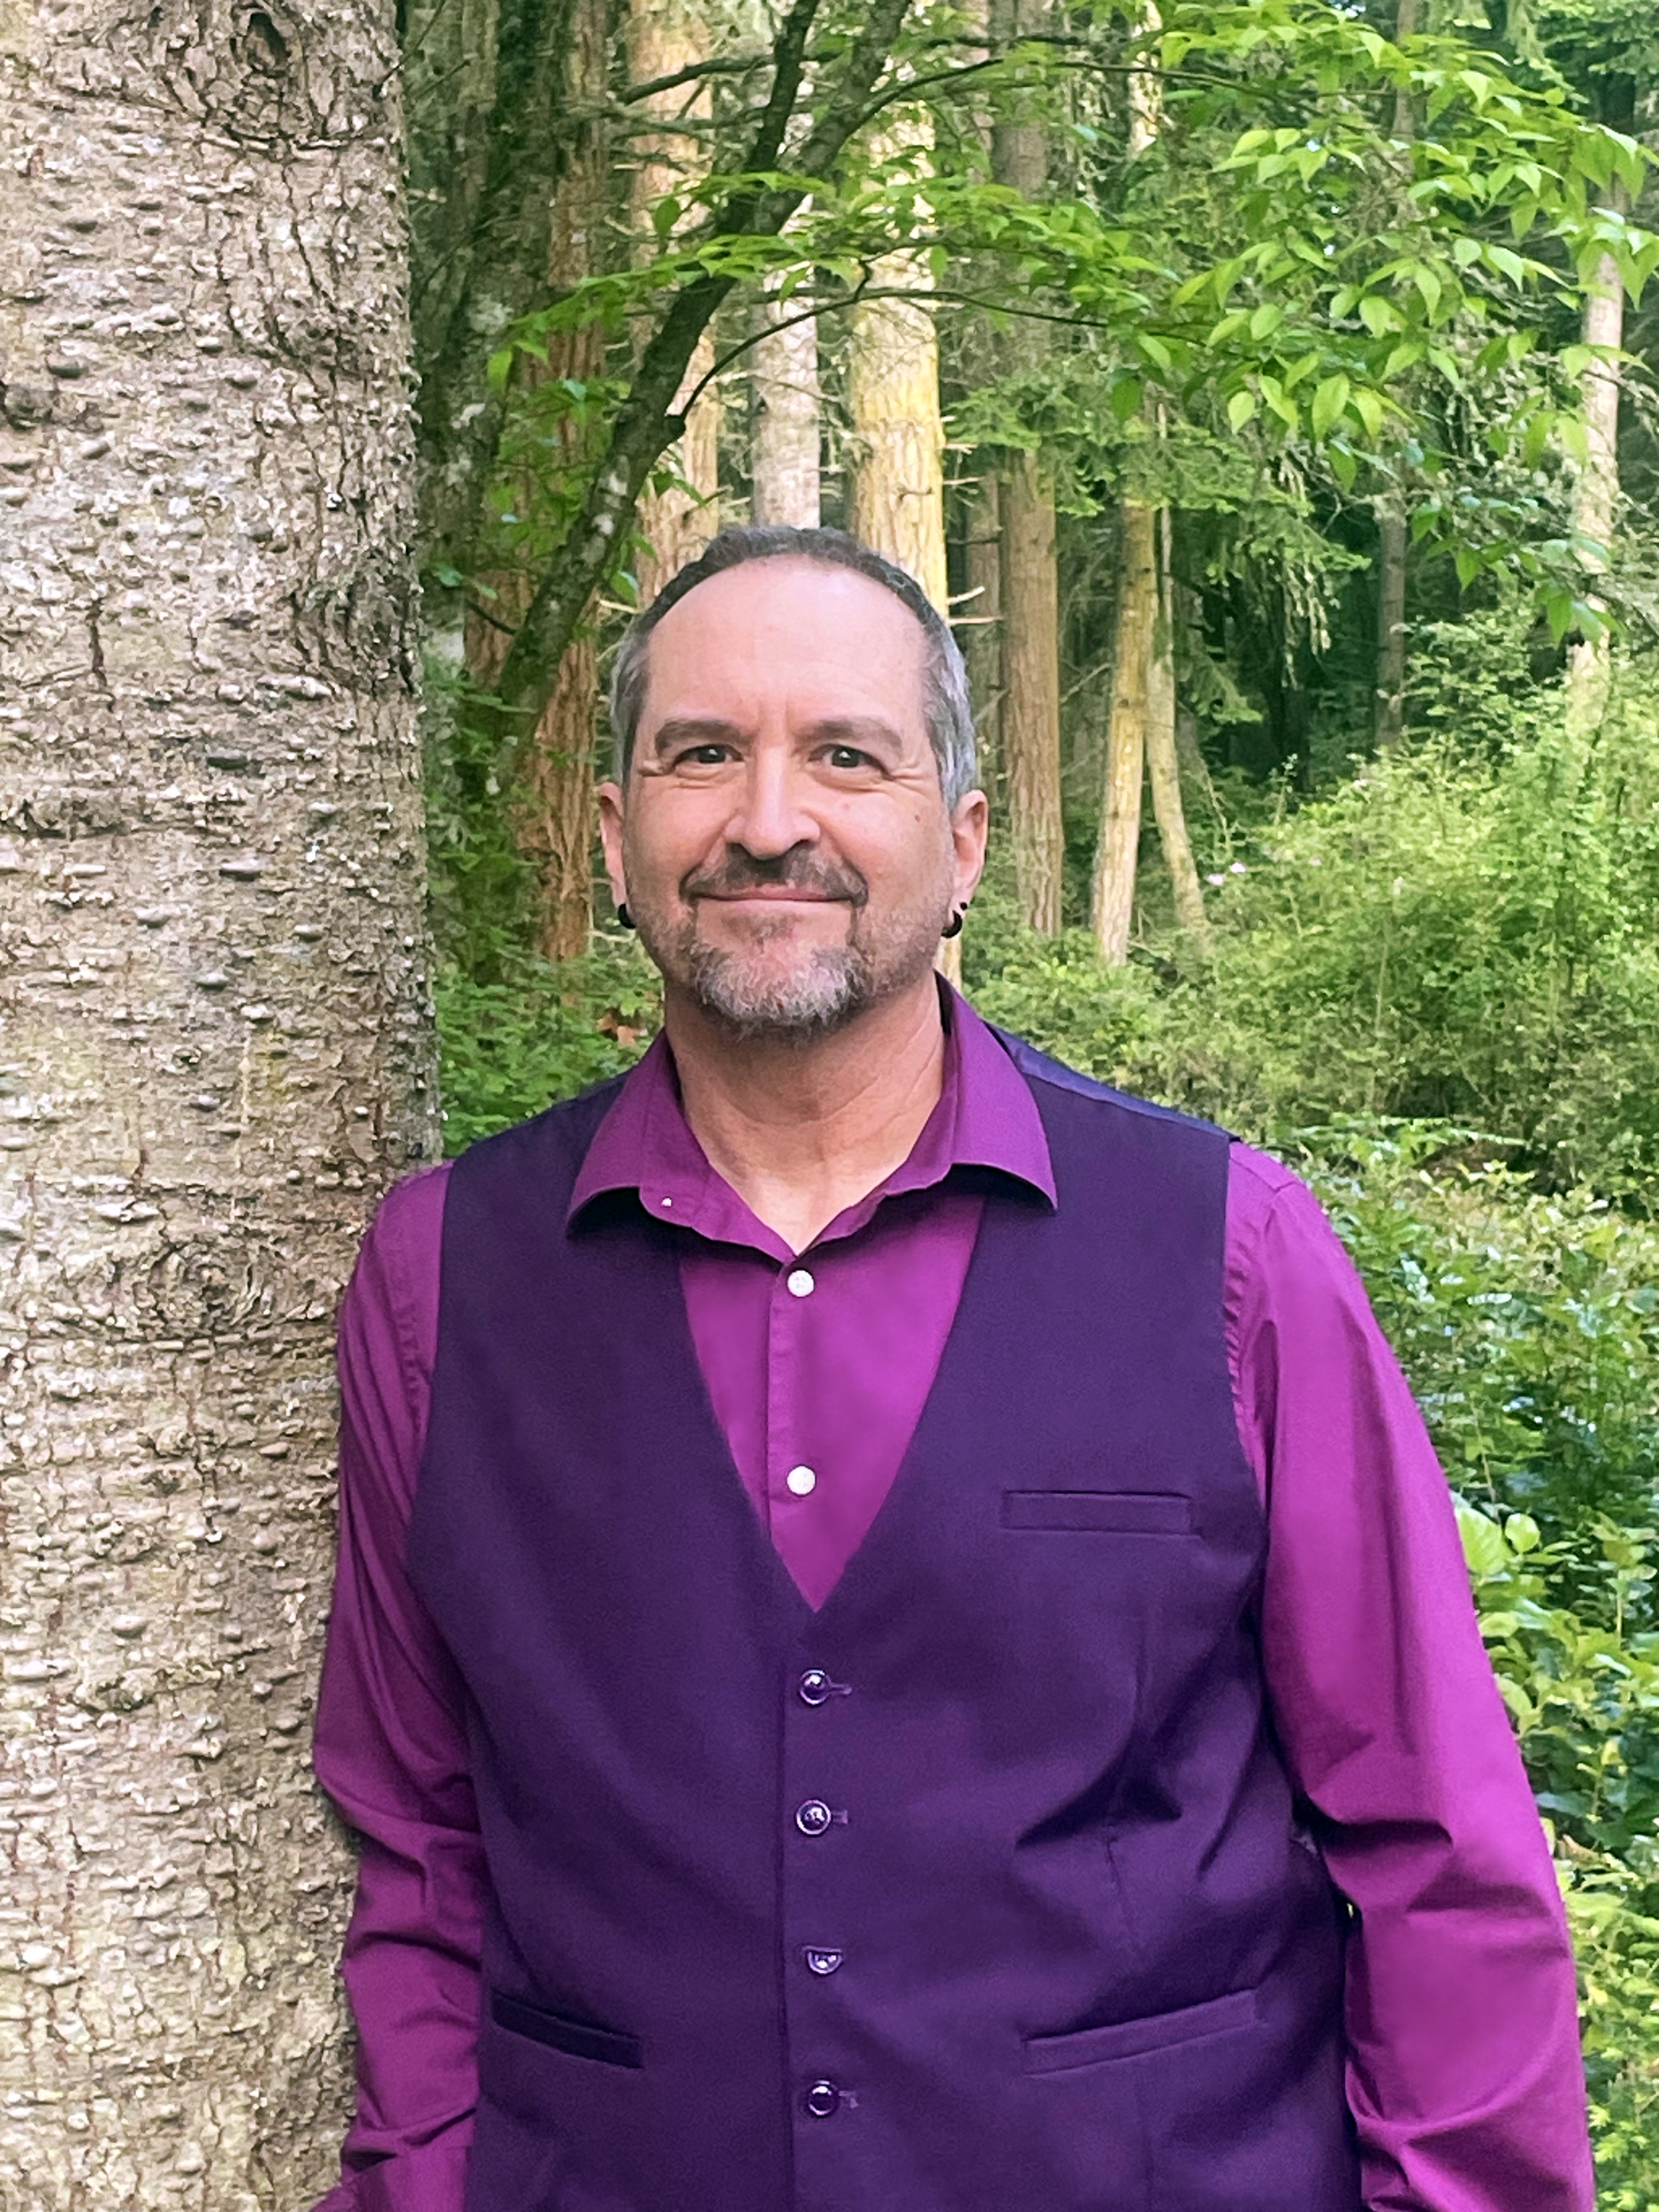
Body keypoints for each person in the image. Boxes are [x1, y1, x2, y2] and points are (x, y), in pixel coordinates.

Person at [310, 526, 1592, 2212]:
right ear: (615, 836)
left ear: (963, 836)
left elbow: (1437, 1850)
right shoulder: (440, 1278)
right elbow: (418, 1845)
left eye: (846, 754)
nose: (768, 820)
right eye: (702, 754)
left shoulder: (1224, 1251)